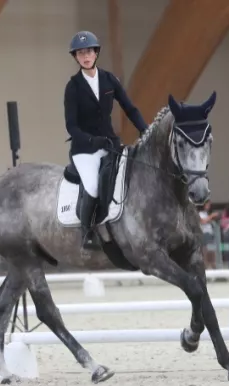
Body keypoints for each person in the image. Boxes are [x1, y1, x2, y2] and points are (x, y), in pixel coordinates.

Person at [63, 30, 149, 250]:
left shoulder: (109, 79)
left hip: (110, 144)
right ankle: (87, 232)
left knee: (129, 179)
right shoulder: (73, 87)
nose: (85, 56)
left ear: (96, 53)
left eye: (89, 51)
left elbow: (129, 108)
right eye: (80, 53)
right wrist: (93, 141)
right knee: (92, 186)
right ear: (76, 57)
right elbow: (71, 126)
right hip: (85, 149)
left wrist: (145, 130)